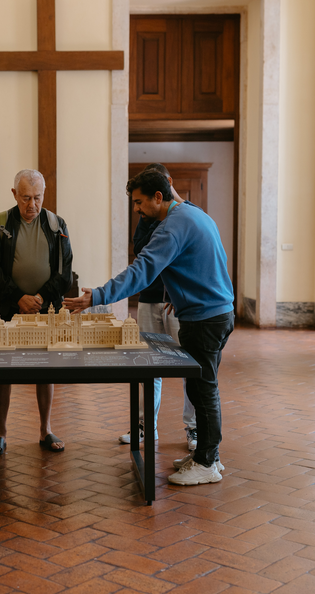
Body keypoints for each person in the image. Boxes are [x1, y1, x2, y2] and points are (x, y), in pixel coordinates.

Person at [65, 169, 235, 486]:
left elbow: (142, 271)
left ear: (159, 197)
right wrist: (179, 291)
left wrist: (98, 296)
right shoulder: (193, 214)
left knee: (204, 389)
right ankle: (206, 456)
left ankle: (208, 462)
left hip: (205, 318)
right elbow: (205, 260)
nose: (137, 209)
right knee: (201, 388)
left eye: (140, 202)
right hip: (215, 312)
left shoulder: (171, 227)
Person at [0, 169, 73, 454]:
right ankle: (0, 432)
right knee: (2, 371)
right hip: (8, 309)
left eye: (37, 197)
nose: (32, 205)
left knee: (46, 370)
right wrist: (19, 297)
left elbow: (65, 273)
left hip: (45, 309)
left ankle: (45, 429)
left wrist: (39, 297)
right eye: (25, 198)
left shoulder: (57, 225)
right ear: (14, 195)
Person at [118, 163, 198, 452]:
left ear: (165, 187)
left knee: (190, 365)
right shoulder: (147, 214)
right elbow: (141, 248)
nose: (139, 208)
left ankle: (194, 427)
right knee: (148, 363)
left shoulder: (186, 214)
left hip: (175, 303)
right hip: (149, 299)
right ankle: (144, 426)